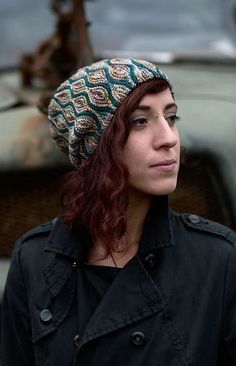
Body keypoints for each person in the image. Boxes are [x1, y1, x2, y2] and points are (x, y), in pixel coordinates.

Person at [1, 58, 236, 366]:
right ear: (96, 144)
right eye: (140, 121)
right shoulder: (33, 260)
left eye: (171, 117)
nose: (169, 139)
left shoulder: (219, 260)